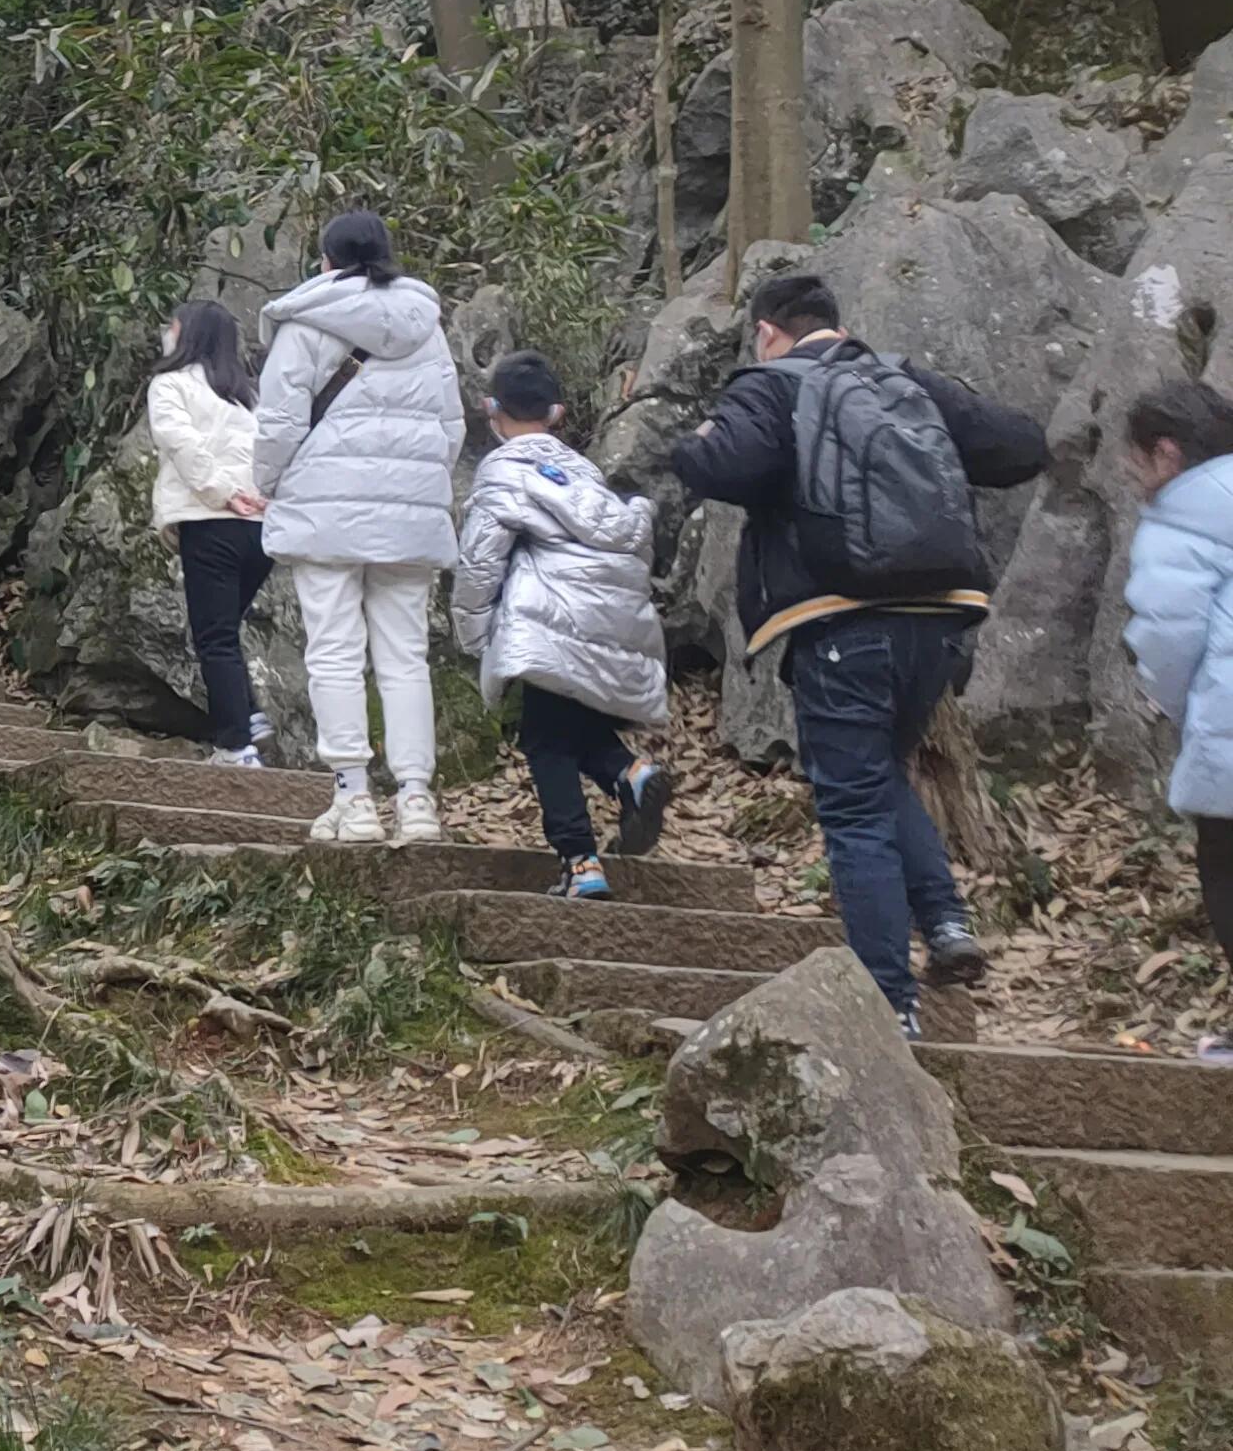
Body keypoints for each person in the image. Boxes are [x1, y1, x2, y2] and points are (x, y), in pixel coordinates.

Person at [672, 264, 1046, 1032]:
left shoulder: (772, 384)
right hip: (939, 623)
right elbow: (1020, 447)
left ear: (767, 333)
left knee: (852, 810)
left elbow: (720, 465)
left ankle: (889, 1005)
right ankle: (944, 924)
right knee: (880, 777)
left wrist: (694, 437)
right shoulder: (904, 380)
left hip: (843, 621)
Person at [254, 206, 468, 846]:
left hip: (325, 511)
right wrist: (415, 489)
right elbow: (451, 426)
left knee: (335, 652)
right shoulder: (427, 328)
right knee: (405, 656)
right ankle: (417, 798)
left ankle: (354, 799)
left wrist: (268, 485)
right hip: (409, 518)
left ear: (327, 261)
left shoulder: (308, 323)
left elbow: (280, 423)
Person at [454, 350, 672, 899]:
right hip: (601, 623)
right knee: (568, 726)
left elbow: (482, 559)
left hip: (546, 621)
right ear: (556, 413)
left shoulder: (504, 472)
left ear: (491, 410)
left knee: (545, 742)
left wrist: (474, 633)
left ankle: (580, 862)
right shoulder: (585, 476)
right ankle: (630, 774)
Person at [1117, 376, 1233, 1057]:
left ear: (1165, 453)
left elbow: (1166, 634)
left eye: (1134, 459)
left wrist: (1169, 701)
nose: (1133, 475)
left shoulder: (1182, 515)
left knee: (1224, 868)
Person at [148, 297, 273, 767]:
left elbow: (182, 442)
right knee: (225, 626)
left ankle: (235, 745)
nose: (167, 331)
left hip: (211, 522)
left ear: (187, 333)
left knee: (214, 636)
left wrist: (221, 492)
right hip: (259, 530)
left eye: (172, 325)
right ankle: (251, 716)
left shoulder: (170, 385)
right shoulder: (247, 396)